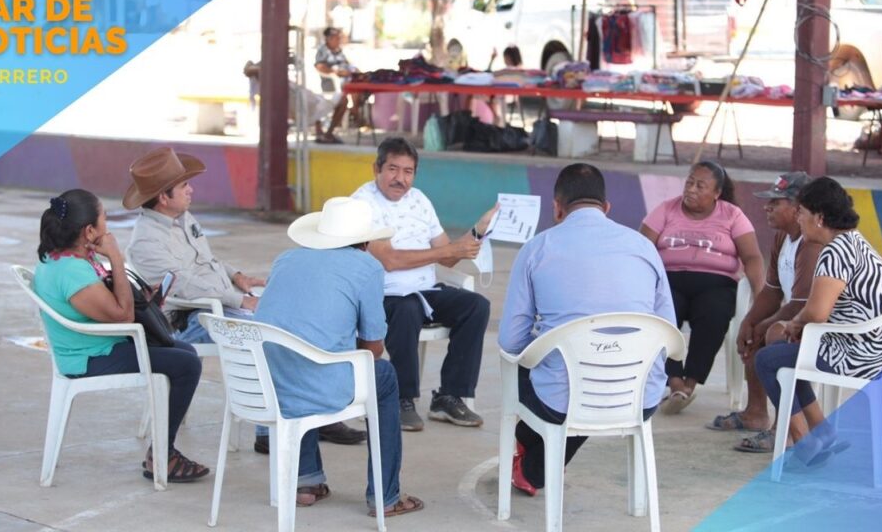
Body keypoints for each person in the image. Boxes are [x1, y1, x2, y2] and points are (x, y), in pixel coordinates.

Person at [123, 147, 366, 452]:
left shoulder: (181, 217)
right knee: (269, 334)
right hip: (189, 318)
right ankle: (268, 431)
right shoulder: (146, 241)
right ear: (163, 197)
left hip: (219, 304)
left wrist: (237, 276)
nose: (191, 190)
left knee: (302, 317)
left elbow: (207, 261)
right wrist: (239, 300)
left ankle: (317, 411)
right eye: (184, 185)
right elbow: (183, 287)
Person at [499, 163, 675, 495]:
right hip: (639, 396)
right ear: (606, 207)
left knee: (539, 366)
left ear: (557, 208)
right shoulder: (644, 247)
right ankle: (531, 459)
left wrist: (550, 340)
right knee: (589, 367)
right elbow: (668, 330)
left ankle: (531, 466)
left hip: (564, 400)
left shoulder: (537, 248)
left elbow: (511, 341)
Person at [255, 197, 424, 517]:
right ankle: (386, 497)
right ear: (365, 242)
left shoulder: (286, 259)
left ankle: (306, 483)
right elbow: (373, 348)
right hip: (317, 385)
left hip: (266, 384)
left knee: (301, 357)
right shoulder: (366, 267)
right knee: (384, 375)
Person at [33, 189, 209, 483]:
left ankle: (162, 450)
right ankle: (162, 456)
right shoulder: (72, 272)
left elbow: (114, 306)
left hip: (98, 343)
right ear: (89, 231)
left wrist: (144, 301)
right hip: (88, 357)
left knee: (185, 352)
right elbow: (123, 316)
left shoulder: (63, 257)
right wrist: (116, 255)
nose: (108, 225)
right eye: (104, 218)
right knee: (187, 365)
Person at [351, 138, 497, 432]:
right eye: (393, 169)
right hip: (382, 293)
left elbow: (449, 257)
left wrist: (478, 230)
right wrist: (447, 252)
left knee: (476, 306)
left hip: (424, 290)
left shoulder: (419, 200)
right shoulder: (361, 204)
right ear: (376, 169)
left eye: (408, 172)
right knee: (406, 309)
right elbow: (390, 260)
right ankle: (402, 398)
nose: (400, 179)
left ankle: (449, 395)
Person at [753, 176, 882, 465]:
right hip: (872, 347)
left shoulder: (834, 252)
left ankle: (804, 442)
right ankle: (822, 430)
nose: (798, 219)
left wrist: (794, 324)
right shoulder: (855, 241)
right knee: (788, 352)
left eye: (802, 213)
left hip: (856, 354)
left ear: (819, 218)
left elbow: (817, 313)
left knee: (767, 359)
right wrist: (798, 328)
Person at [700, 173, 822, 451]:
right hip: (798, 317)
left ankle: (784, 428)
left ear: (798, 207)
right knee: (756, 331)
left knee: (773, 336)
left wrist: (763, 326)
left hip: (819, 325)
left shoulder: (811, 244)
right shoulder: (782, 237)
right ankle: (755, 412)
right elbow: (772, 290)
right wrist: (750, 321)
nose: (767, 207)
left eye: (775, 203)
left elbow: (802, 305)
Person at [640, 160, 765, 414]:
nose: (691, 189)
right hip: (669, 281)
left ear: (717, 193)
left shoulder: (732, 215)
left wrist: (761, 297)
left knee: (715, 313)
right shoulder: (666, 209)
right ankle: (674, 380)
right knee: (663, 314)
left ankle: (690, 382)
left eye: (700, 185)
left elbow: (752, 256)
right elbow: (640, 248)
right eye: (689, 182)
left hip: (716, 284)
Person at [315, 27, 365, 145]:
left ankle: (355, 111)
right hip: (333, 83)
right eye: (336, 38)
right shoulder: (323, 50)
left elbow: (347, 64)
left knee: (360, 86)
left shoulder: (338, 50)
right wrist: (336, 72)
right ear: (329, 39)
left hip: (346, 80)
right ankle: (356, 115)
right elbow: (319, 66)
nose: (338, 40)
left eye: (339, 38)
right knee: (345, 98)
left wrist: (354, 70)